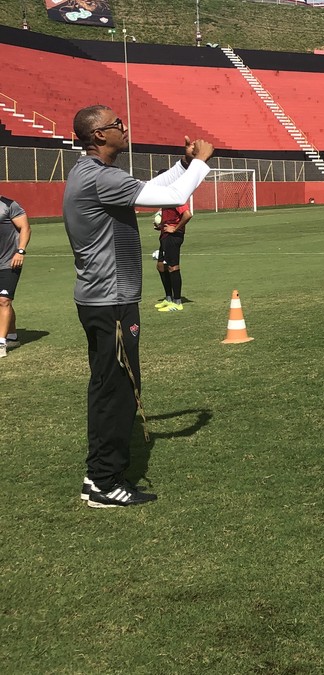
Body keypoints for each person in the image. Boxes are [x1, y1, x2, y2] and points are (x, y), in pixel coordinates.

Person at [64, 105, 213, 508]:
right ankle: (103, 481)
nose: (125, 127)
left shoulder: (94, 174)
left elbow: (148, 187)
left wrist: (183, 164)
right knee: (119, 390)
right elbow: (173, 196)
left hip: (102, 298)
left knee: (106, 386)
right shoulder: (99, 177)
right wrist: (199, 164)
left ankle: (99, 475)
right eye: (117, 124)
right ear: (98, 135)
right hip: (111, 301)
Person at [153, 172, 194, 313]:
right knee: (160, 266)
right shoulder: (166, 197)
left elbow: (187, 214)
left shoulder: (176, 196)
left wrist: (175, 228)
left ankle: (177, 302)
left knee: (173, 267)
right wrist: (161, 226)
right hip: (164, 235)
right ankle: (168, 298)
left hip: (173, 236)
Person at [0, 195, 31, 359]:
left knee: (4, 300)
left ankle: (1, 343)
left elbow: (25, 228)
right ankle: (11, 335)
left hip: (9, 261)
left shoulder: (9, 205)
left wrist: (20, 251)